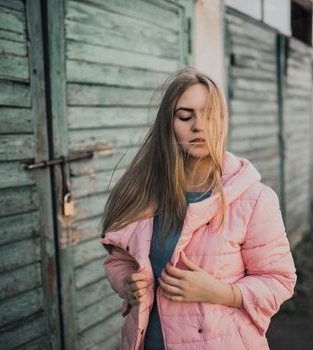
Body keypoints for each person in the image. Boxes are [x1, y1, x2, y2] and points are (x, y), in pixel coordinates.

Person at [99, 66, 297, 350]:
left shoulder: (254, 199)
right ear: (168, 124)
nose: (198, 126)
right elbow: (119, 260)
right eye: (184, 115)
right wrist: (126, 283)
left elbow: (280, 280)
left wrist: (222, 292)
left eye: (209, 114)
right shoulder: (144, 193)